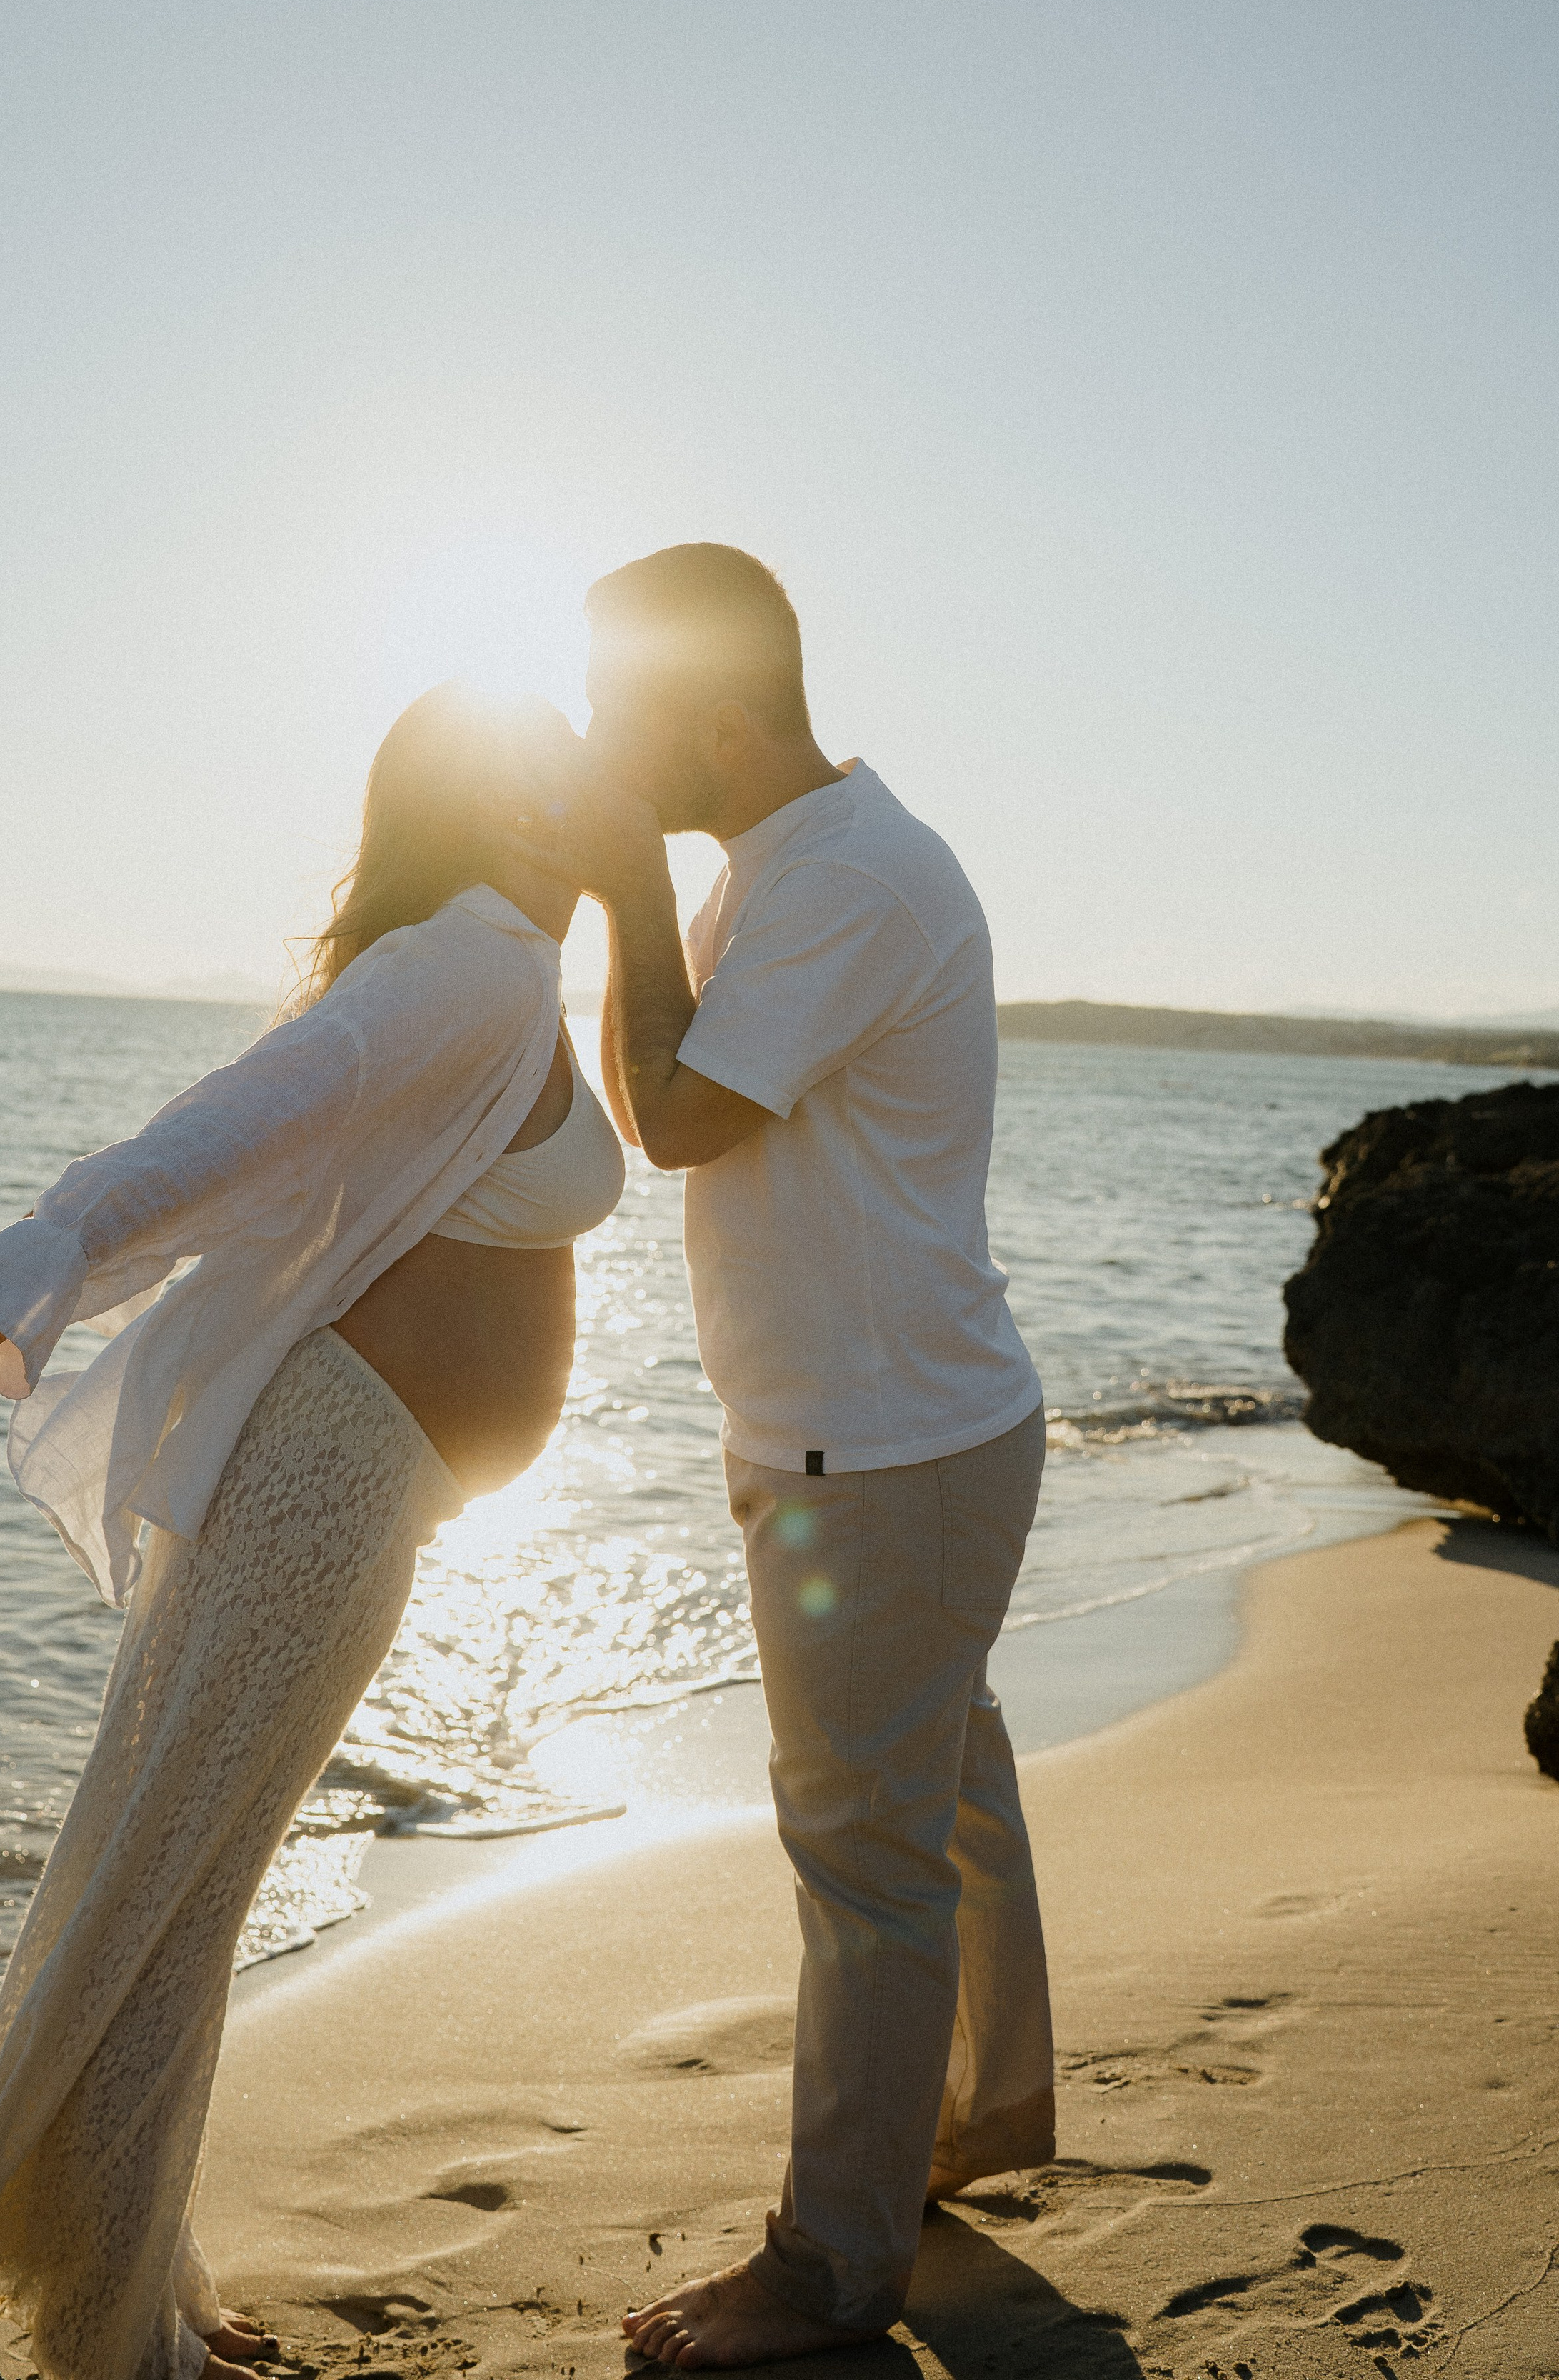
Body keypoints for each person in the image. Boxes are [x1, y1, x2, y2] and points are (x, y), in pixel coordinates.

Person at [0, 681, 626, 2380]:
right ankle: (111, 2345)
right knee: (171, 1888)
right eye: (515, 795)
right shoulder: (472, 960)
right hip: (330, 1472)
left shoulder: (498, 966)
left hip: (362, 1476)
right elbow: (253, 1110)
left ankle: (133, 2285)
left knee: (175, 1885)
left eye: (568, 790)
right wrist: (23, 1259)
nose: (553, 821)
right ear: (458, 816)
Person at [508, 544, 1052, 2371]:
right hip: (897, 1428)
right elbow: (682, 1090)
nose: (594, 740)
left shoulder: (843, 887)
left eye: (617, 709)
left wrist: (618, 889)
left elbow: (669, 1118)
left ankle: (835, 2263)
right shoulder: (789, 862)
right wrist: (644, 889)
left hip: (883, 1450)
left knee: (863, 1851)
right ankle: (976, 2118)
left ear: (722, 724)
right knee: (935, 1786)